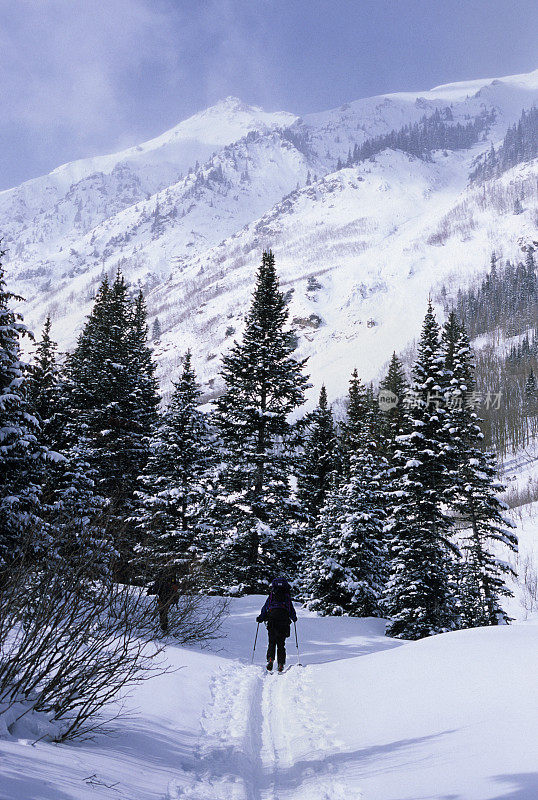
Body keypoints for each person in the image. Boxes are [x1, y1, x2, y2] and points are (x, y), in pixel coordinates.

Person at [256, 576, 297, 672]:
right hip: (283, 622)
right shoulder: (286, 597)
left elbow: (265, 608)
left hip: (272, 620)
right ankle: (281, 663)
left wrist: (260, 618)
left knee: (272, 641)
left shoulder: (272, 595)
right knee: (281, 644)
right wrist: (294, 618)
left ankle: (270, 659)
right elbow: (291, 609)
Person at [147, 567, 180, 634]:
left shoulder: (161, 581)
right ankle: (164, 627)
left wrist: (150, 591)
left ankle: (163, 628)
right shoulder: (171, 581)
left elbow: (156, 589)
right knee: (163, 612)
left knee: (163, 612)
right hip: (169, 598)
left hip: (164, 598)